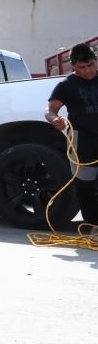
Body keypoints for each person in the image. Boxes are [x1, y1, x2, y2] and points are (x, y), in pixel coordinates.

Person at [46, 43, 98, 229]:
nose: (88, 70)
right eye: (82, 67)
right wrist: (54, 120)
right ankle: (93, 226)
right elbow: (50, 110)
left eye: (91, 65)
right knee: (85, 185)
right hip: (82, 139)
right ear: (73, 66)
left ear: (96, 61)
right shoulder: (66, 85)